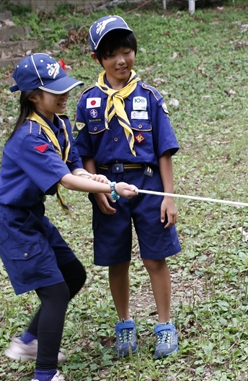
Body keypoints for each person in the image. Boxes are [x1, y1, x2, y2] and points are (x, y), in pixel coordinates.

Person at [0, 53, 138, 381]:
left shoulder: (58, 123)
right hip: (13, 223)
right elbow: (67, 181)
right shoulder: (29, 137)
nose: (63, 95)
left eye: (63, 87)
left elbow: (74, 168)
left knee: (72, 274)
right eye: (53, 91)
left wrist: (96, 177)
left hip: (31, 217)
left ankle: (29, 341)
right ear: (32, 97)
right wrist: (111, 187)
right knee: (55, 291)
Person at [73, 15, 181, 359]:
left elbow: (164, 149)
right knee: (116, 261)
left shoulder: (149, 96)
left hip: (147, 185)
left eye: (127, 50)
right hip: (108, 189)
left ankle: (164, 326)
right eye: (111, 54)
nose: (121, 60)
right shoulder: (88, 101)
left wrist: (168, 196)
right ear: (97, 59)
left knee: (154, 258)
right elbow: (85, 153)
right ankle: (125, 325)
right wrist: (97, 189)